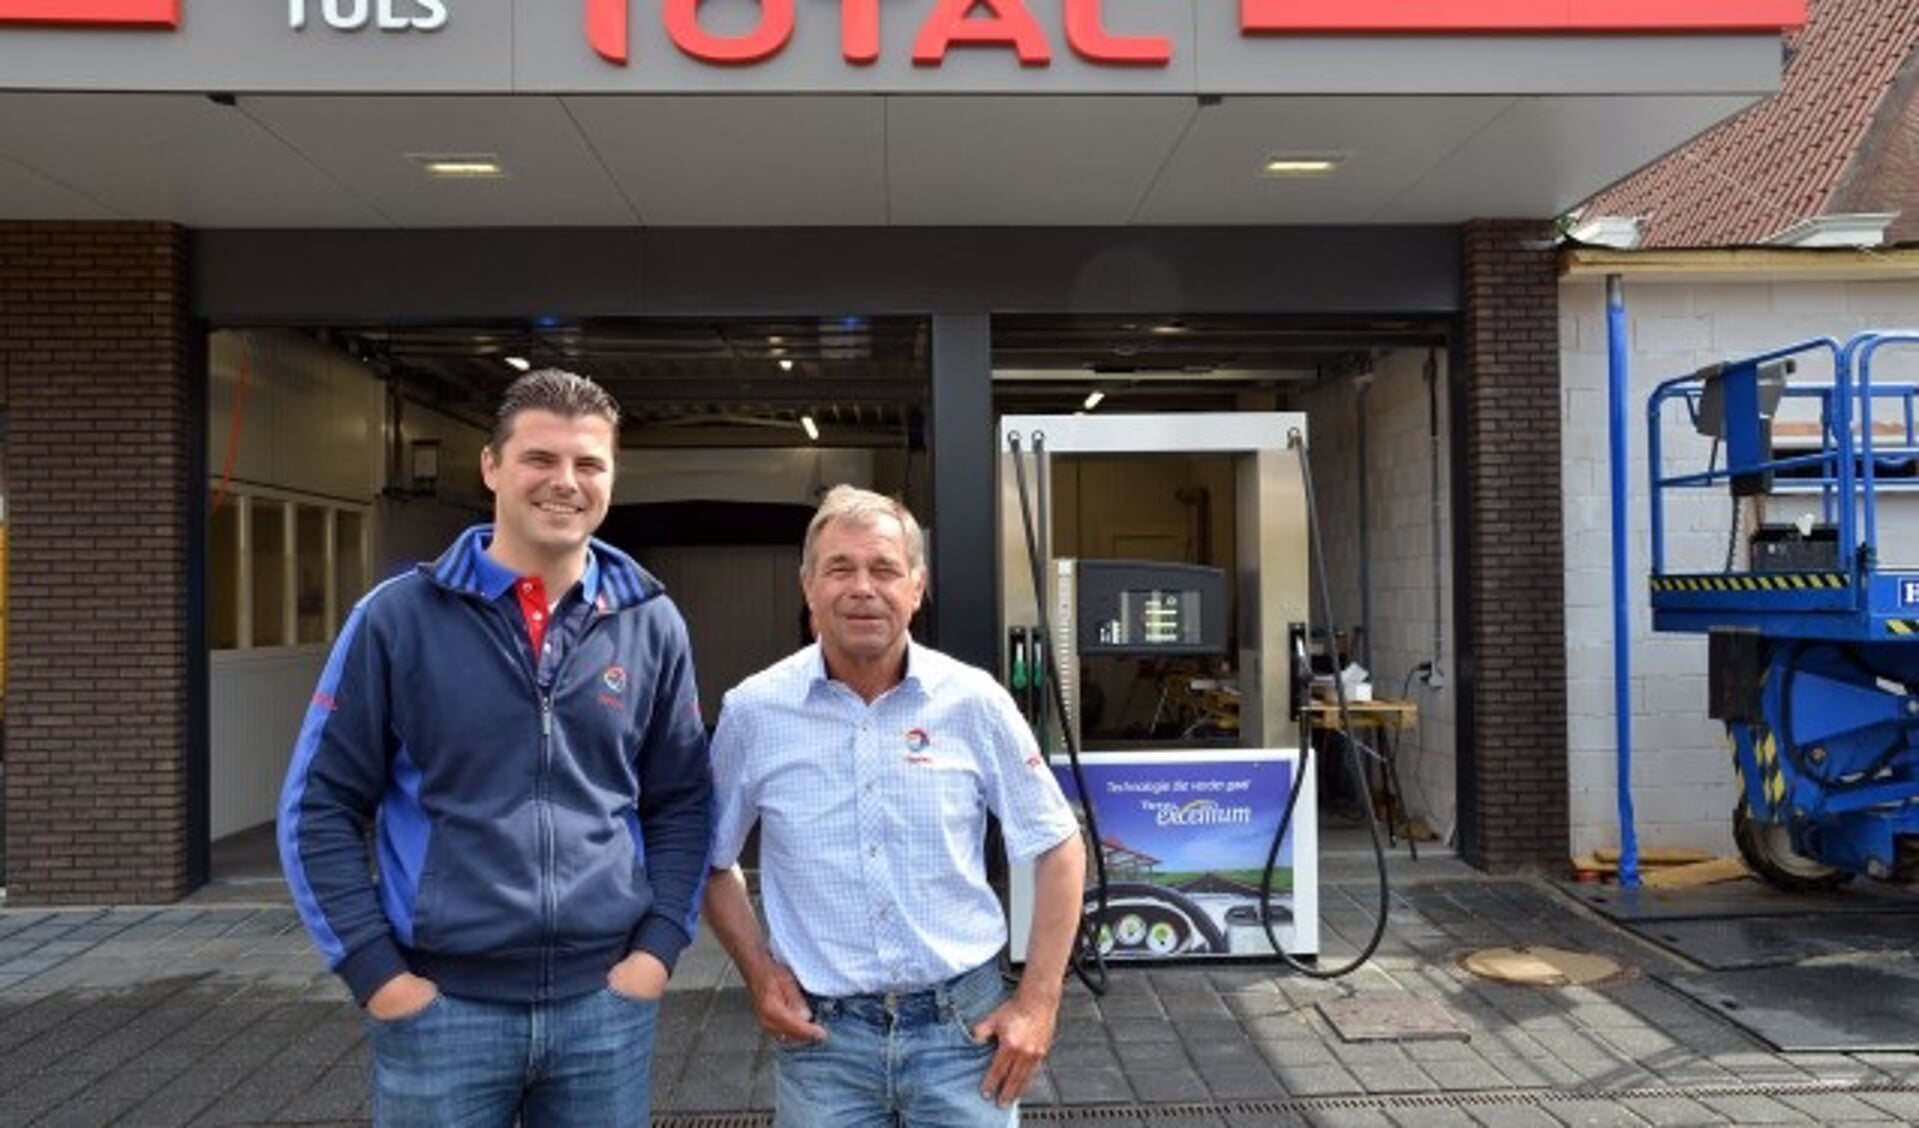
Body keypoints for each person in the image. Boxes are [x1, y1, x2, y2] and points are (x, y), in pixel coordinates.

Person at [278, 369, 711, 1127]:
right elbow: (320, 807)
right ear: (491, 466)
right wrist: (378, 975)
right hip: (441, 1009)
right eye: (539, 459)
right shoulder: (395, 620)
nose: (564, 483)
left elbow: (683, 799)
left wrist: (656, 951)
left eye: (588, 464)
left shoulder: (651, 622)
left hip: (604, 1007)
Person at [704, 485, 1087, 1126]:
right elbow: (711, 860)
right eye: (839, 568)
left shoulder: (974, 702)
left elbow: (1058, 845)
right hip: (821, 1043)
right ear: (808, 587)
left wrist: (1039, 1002)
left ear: (916, 586)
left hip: (965, 1036)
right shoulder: (753, 711)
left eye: (884, 569)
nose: (862, 587)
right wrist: (760, 974)